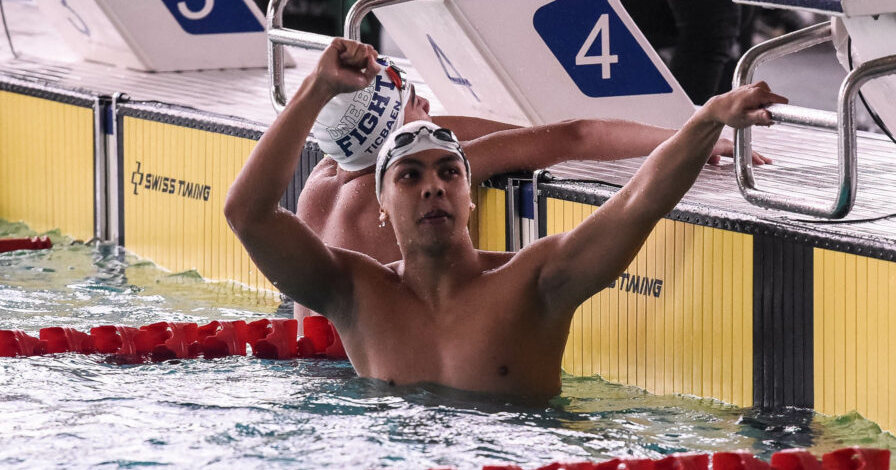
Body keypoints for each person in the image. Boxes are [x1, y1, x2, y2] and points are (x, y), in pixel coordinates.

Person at [225, 39, 785, 401]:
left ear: (471, 196)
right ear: (381, 204)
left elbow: (641, 199)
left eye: (449, 172)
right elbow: (246, 213)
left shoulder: (536, 282)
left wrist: (707, 119)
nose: (433, 187)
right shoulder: (353, 293)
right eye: (410, 177)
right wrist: (316, 87)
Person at [294, 40, 770, 324]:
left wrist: (407, 114)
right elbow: (574, 136)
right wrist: (693, 137)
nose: (430, 110)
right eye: (416, 101)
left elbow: (482, 130)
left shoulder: (319, 183)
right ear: (395, 132)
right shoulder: (432, 178)